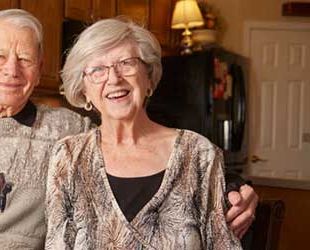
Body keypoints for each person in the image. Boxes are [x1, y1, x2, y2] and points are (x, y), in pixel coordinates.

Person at [0, 9, 257, 250]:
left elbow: (137, 147)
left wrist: (233, 188)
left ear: (39, 69)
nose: (11, 69)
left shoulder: (68, 132)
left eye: (25, 59)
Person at [45, 18, 243, 249]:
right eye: (98, 69)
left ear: (148, 77)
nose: (114, 79)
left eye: (126, 63)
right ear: (84, 90)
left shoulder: (198, 153)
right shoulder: (68, 156)